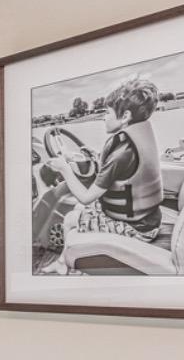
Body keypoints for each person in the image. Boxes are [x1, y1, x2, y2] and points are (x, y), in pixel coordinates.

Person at [56, 76, 164, 242]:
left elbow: (86, 197)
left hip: (138, 230)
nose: (103, 117)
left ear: (125, 116)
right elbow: (118, 166)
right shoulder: (132, 142)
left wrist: (64, 169)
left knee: (70, 218)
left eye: (107, 113)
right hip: (149, 220)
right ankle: (66, 258)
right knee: (80, 209)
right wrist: (87, 155)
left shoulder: (120, 155)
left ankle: (65, 263)